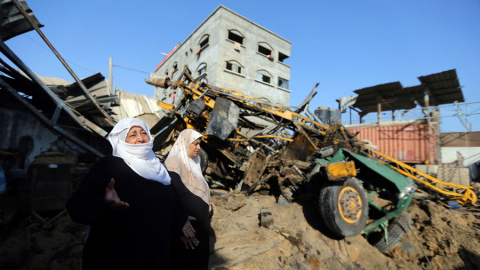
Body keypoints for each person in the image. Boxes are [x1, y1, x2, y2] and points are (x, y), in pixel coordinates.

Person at [66, 118, 194, 270]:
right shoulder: (108, 165)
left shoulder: (159, 169)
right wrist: (105, 204)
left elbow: (168, 203)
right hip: (116, 257)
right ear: (121, 140)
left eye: (143, 133)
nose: (140, 138)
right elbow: (76, 208)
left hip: (155, 256)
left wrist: (181, 219)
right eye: (133, 135)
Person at [165, 129, 213, 270]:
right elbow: (171, 200)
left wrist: (206, 200)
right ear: (185, 144)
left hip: (199, 228)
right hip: (187, 233)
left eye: (199, 144)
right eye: (195, 144)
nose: (199, 148)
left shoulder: (192, 162)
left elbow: (194, 187)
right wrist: (180, 226)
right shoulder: (173, 165)